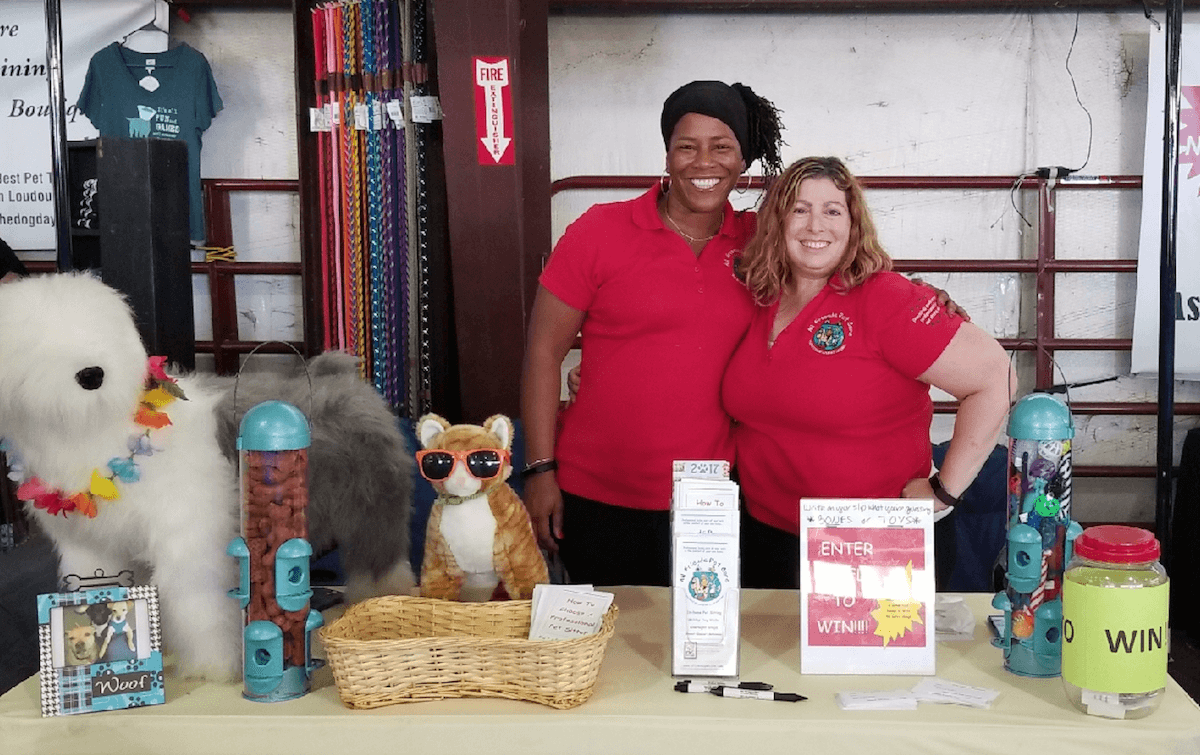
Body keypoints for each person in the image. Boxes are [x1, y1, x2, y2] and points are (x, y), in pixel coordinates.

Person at [521, 80, 786, 587]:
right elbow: (543, 352)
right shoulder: (598, 231)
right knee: (609, 634)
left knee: (704, 632)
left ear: (743, 160)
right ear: (667, 155)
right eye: (687, 146)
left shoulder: (761, 243)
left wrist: (924, 296)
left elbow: (840, 273)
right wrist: (539, 471)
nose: (703, 162)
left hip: (711, 498)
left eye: (721, 147)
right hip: (596, 493)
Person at [721, 156, 1015, 589]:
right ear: (776, 223)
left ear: (854, 224)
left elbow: (995, 377)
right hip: (770, 539)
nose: (815, 226)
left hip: (876, 545)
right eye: (799, 209)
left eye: (832, 211)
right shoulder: (760, 298)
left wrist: (943, 491)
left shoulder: (887, 299)